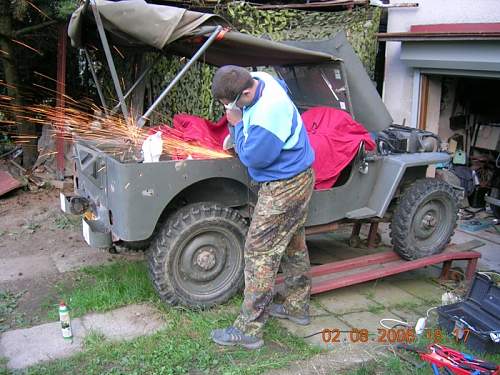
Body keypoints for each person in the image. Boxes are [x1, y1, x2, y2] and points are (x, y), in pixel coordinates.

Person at [210, 65, 315, 350]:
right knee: (293, 244)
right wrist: (240, 116)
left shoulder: (270, 113)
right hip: (299, 177)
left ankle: (249, 330)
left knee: (258, 253)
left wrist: (236, 123)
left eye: (230, 104)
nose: (227, 109)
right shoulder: (262, 78)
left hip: (285, 186)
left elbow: (253, 159)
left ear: (246, 92)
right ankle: (297, 306)